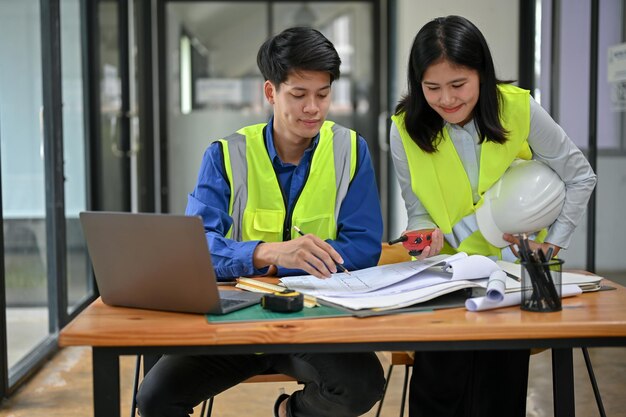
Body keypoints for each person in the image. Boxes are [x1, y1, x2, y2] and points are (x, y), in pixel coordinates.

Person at [136, 27, 385, 417]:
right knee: (155, 397)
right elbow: (197, 247)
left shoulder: (352, 151)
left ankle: (290, 412)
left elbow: (365, 245)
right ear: (270, 93)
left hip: (314, 324)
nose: (313, 108)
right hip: (233, 325)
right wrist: (267, 252)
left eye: (323, 95)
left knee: (361, 386)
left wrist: (288, 262)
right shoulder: (225, 155)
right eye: (299, 95)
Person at [390, 15, 596, 417]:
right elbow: (418, 214)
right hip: (446, 282)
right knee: (437, 395)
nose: (446, 99)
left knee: (499, 398)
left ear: (482, 74)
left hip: (510, 278)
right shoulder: (404, 129)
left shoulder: (518, 109)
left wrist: (552, 244)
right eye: (432, 88)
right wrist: (422, 239)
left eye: (458, 85)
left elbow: (580, 176)